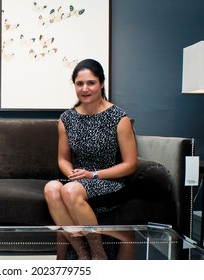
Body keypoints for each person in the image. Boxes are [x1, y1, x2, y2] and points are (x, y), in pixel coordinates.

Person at [44, 58, 138, 259]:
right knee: (51, 188)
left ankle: (98, 252)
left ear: (102, 84)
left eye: (91, 83)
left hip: (107, 180)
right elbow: (63, 158)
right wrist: (70, 172)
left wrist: (93, 175)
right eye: (80, 84)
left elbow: (130, 164)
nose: (85, 88)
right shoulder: (67, 118)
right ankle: (81, 251)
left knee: (69, 190)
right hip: (78, 180)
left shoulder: (118, 118)